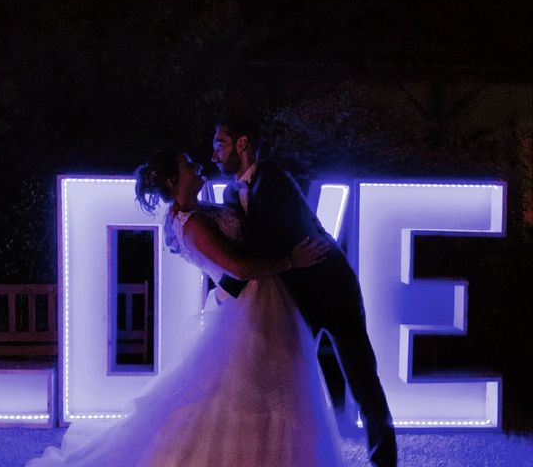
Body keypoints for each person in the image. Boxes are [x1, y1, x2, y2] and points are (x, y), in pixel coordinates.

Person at [27, 149, 344, 466]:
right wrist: (291, 261)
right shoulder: (192, 225)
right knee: (244, 392)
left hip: (261, 300)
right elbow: (240, 268)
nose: (197, 166)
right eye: (188, 165)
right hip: (247, 307)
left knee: (273, 386)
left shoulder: (196, 210)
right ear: (172, 180)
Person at [211, 115, 397, 467]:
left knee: (361, 378)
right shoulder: (230, 191)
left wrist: (227, 287)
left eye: (220, 144)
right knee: (288, 375)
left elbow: (260, 241)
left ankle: (385, 461)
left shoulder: (275, 180)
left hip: (332, 287)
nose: (214, 154)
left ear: (242, 144)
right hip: (294, 297)